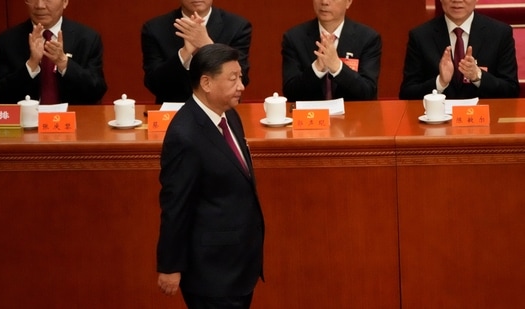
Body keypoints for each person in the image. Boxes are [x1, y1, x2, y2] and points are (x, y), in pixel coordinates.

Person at [156, 43, 264, 309]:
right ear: (206, 82)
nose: (241, 85)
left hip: (238, 263)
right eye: (233, 78)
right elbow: (175, 205)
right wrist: (169, 266)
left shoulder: (230, 116)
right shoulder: (185, 134)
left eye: (240, 77)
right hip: (211, 272)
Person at [0, 0, 107, 104]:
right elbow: (0, 96)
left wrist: (64, 63)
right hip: (28, 122)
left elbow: (96, 91)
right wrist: (31, 65)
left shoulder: (87, 38)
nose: (40, 5)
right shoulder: (7, 40)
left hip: (74, 121)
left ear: (65, 2)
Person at [399, 0, 519, 100]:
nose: (457, 0)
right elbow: (407, 93)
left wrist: (478, 76)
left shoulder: (500, 33)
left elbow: (511, 90)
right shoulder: (420, 36)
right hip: (437, 123)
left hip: (485, 121)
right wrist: (440, 83)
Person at [141, 0, 251, 104]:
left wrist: (207, 45)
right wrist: (184, 53)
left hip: (222, 109)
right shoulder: (155, 28)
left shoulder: (237, 26)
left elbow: (241, 80)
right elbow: (153, 84)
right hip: (173, 112)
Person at [282, 0, 382, 102]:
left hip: (353, 115)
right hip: (310, 115)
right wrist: (316, 69)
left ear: (348, 2)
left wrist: (337, 67)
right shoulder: (294, 38)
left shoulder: (367, 38)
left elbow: (368, 92)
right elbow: (290, 93)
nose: (324, 2)